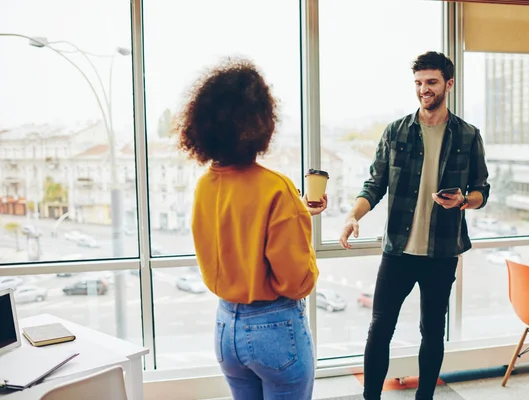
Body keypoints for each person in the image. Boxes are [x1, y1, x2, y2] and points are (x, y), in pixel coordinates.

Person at [339, 51, 490, 400]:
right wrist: (352, 217)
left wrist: (465, 201)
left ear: (448, 85)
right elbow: (374, 185)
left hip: (441, 253)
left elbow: (482, 189)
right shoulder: (396, 131)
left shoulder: (468, 136)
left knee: (433, 331)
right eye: (419, 83)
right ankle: (371, 397)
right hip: (398, 252)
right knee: (379, 329)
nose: (424, 89)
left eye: (432, 82)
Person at [177, 57, 327, 400]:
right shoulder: (277, 188)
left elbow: (237, 229)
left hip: (225, 325)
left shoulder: (205, 185)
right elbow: (296, 281)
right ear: (261, 122)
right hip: (275, 329)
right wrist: (297, 221)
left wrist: (295, 214)